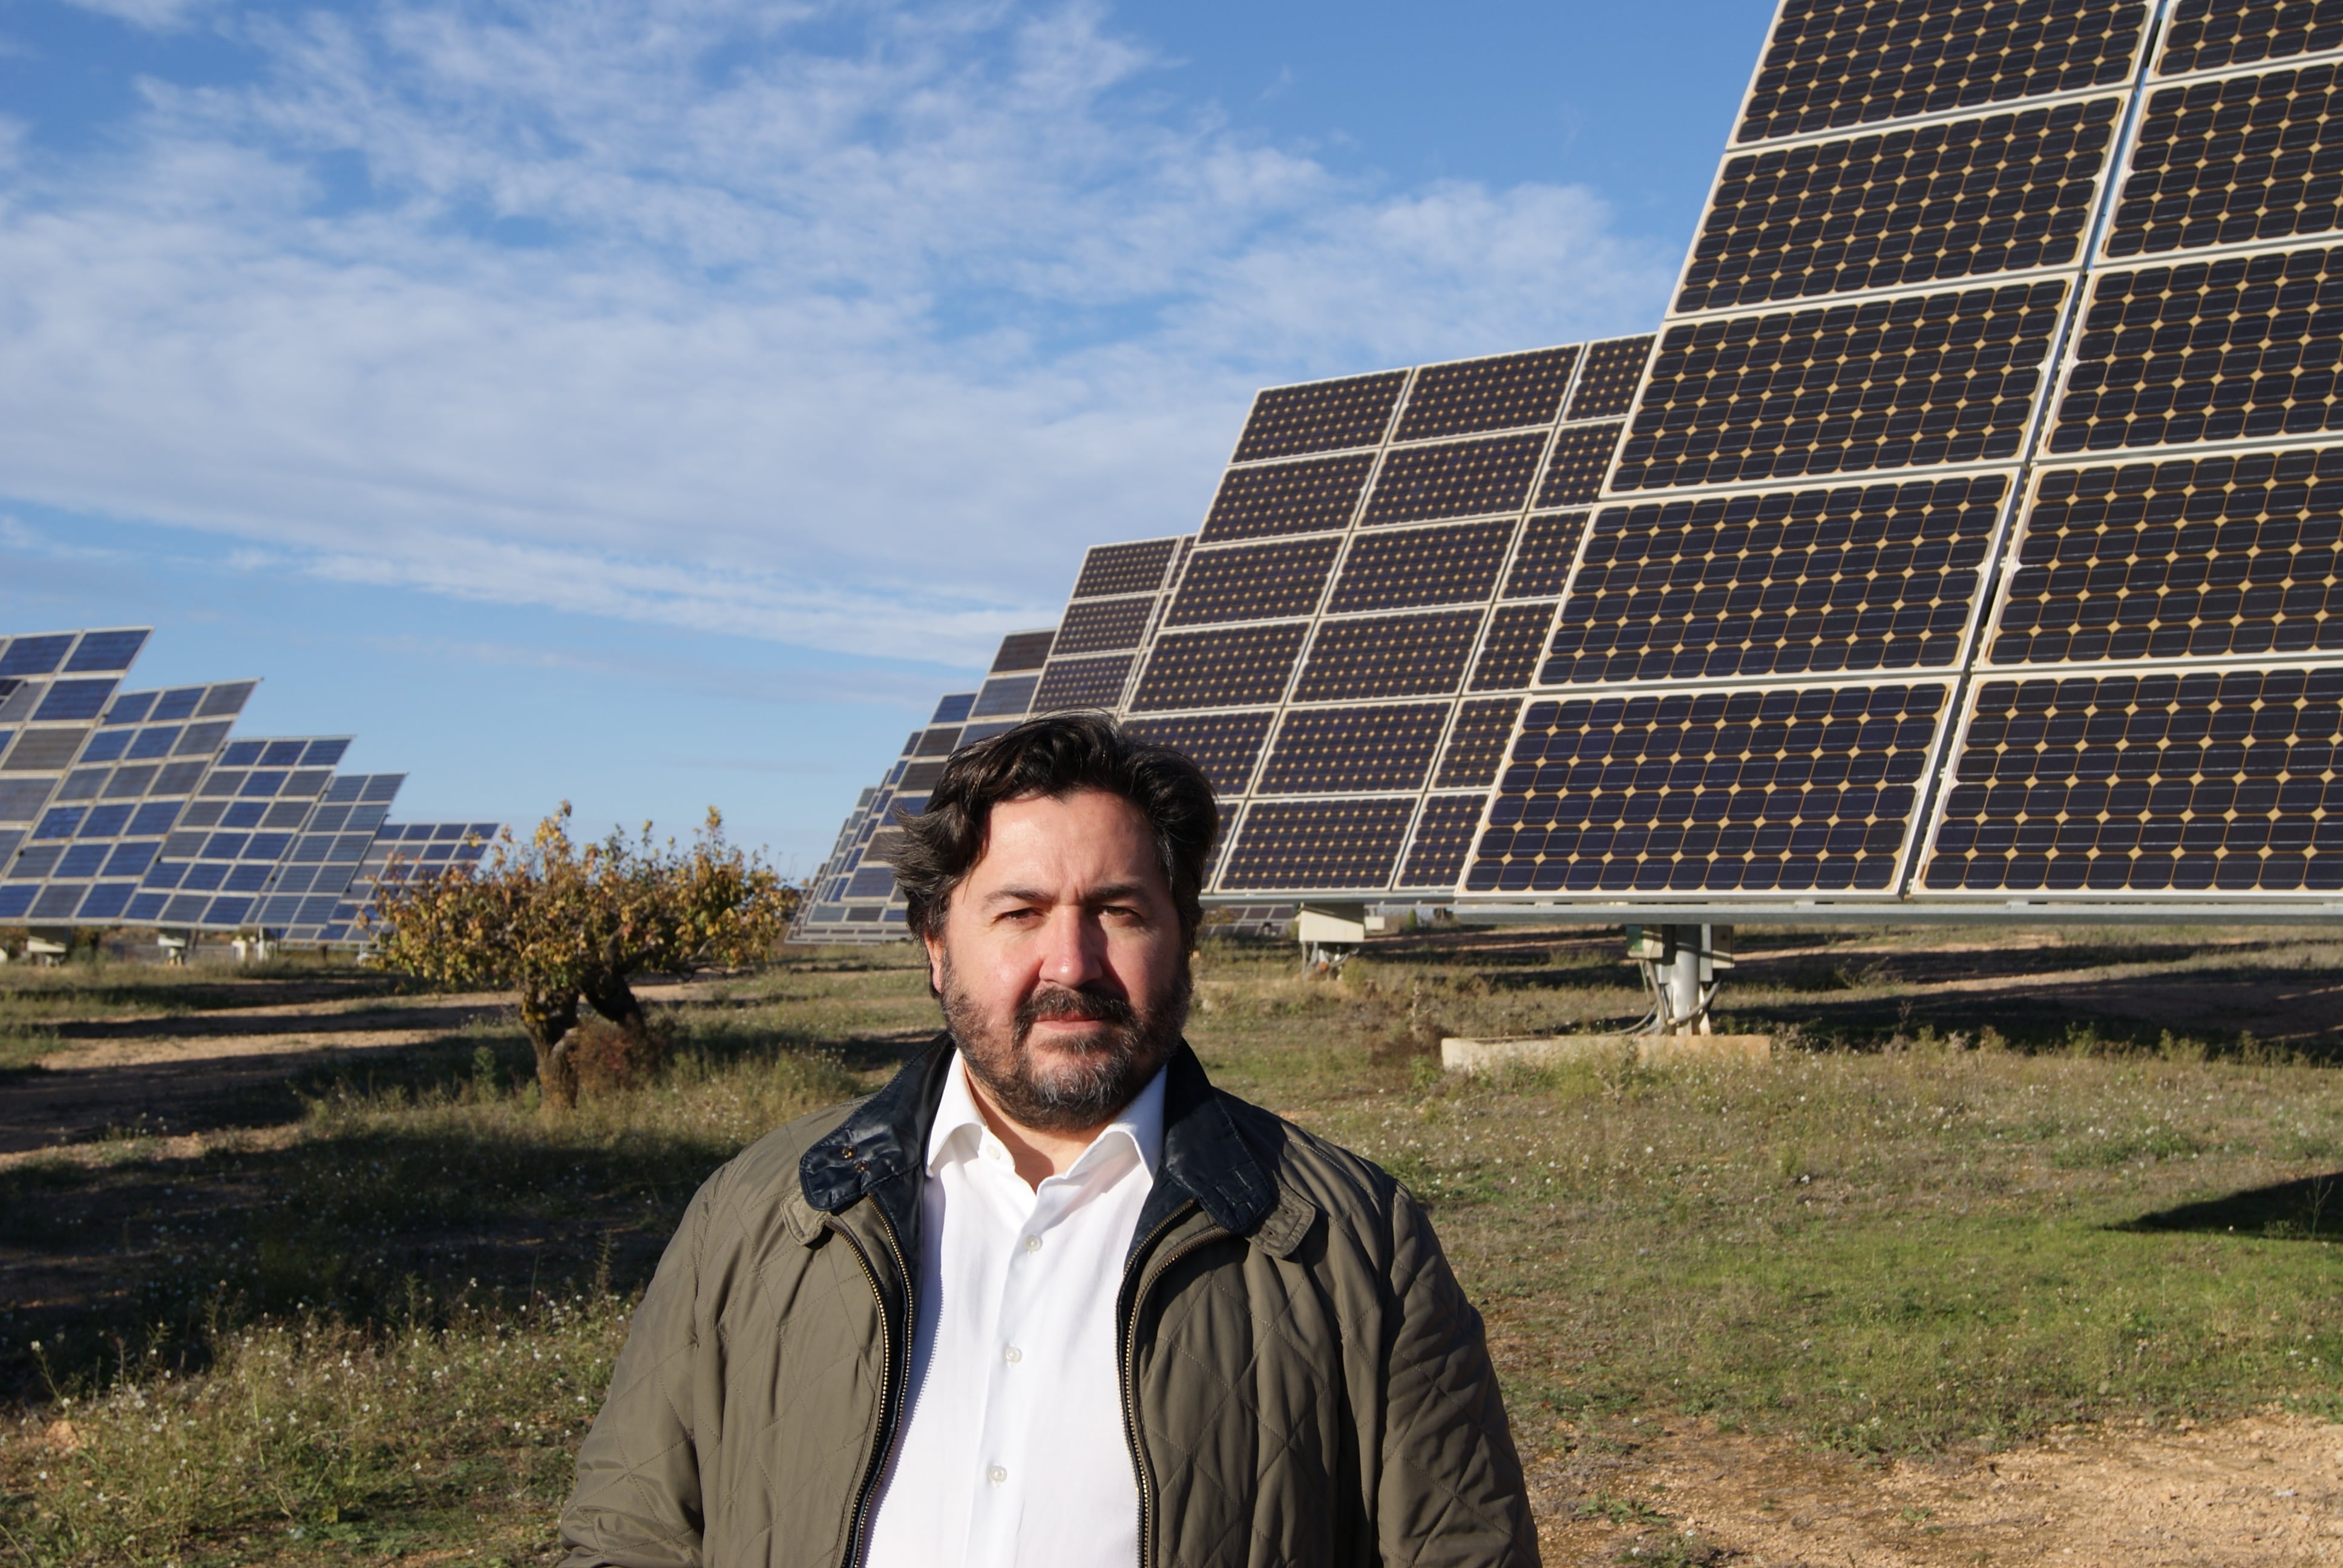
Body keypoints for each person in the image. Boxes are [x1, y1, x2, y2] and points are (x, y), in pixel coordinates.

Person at [560, 713, 1539, 1567]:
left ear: (1184, 936)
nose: (1070, 962)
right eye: (1019, 913)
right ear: (937, 946)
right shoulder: (759, 1217)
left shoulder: (1354, 1247)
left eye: (1118, 911)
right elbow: (627, 1537)